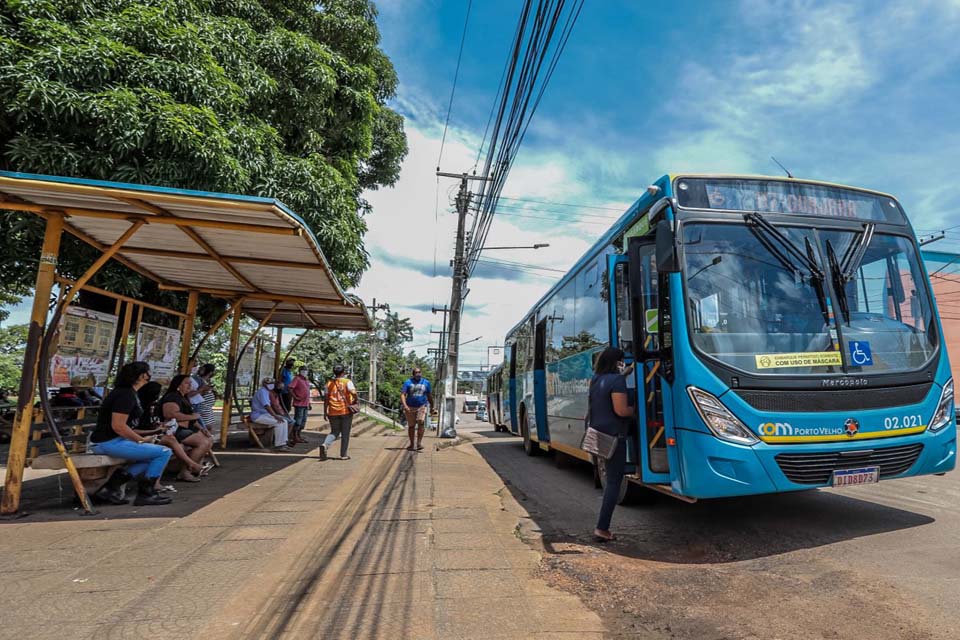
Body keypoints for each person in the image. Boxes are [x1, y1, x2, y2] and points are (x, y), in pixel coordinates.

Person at [86, 361, 173, 506]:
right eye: (148, 372)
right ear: (141, 375)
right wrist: (140, 440)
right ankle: (146, 493)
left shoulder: (129, 393)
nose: (149, 375)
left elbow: (125, 426)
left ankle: (109, 489)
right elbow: (118, 426)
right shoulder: (125, 395)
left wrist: (147, 435)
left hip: (112, 440)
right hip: (107, 442)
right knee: (164, 452)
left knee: (150, 458)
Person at [589, 347, 634, 542]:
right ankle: (602, 528)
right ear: (616, 362)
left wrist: (625, 374)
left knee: (611, 479)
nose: (622, 364)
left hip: (599, 435)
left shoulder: (596, 379)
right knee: (614, 483)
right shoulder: (617, 382)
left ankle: (602, 527)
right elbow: (622, 411)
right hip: (614, 437)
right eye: (622, 361)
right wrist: (637, 407)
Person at [138, 380, 204, 484]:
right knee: (167, 447)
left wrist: (159, 427)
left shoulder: (153, 406)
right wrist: (155, 431)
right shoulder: (141, 409)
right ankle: (190, 464)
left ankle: (189, 465)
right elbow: (133, 429)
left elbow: (154, 424)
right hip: (141, 438)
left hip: (154, 435)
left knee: (173, 443)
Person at [161, 374, 214, 481]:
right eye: (186, 383)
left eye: (190, 383)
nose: (189, 386)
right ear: (178, 385)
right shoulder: (172, 397)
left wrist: (201, 428)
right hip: (173, 430)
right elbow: (170, 414)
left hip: (185, 428)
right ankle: (185, 472)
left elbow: (192, 419)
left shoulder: (184, 397)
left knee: (208, 439)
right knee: (202, 443)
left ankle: (195, 468)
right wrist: (192, 416)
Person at [320, 364, 357, 461]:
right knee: (345, 433)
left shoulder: (328, 383)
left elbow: (326, 399)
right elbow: (353, 392)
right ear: (343, 372)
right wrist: (356, 400)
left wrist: (325, 412)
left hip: (332, 411)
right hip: (345, 411)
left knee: (334, 431)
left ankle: (325, 444)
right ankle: (343, 454)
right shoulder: (347, 382)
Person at [250, 377, 292, 451]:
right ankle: (279, 445)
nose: (271, 385)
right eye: (269, 384)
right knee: (279, 423)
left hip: (264, 415)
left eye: (272, 383)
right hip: (258, 416)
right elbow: (267, 406)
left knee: (284, 421)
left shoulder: (266, 391)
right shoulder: (262, 392)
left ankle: (283, 443)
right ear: (264, 384)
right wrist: (275, 416)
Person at [401, 367, 433, 452]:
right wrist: (405, 405)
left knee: (421, 422)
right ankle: (412, 444)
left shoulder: (426, 382)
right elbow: (403, 394)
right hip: (410, 407)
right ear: (413, 374)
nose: (418, 374)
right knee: (411, 426)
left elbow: (429, 395)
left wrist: (432, 405)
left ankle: (419, 443)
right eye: (416, 372)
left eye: (419, 372)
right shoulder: (408, 382)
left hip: (422, 406)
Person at [288, 366, 311, 444]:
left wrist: (309, 403)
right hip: (299, 404)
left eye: (306, 370)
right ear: (300, 371)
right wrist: (295, 397)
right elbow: (290, 388)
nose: (305, 372)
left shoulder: (306, 380)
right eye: (303, 370)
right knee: (298, 420)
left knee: (303, 421)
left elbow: (307, 392)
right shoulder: (297, 379)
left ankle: (299, 435)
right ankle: (294, 436)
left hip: (306, 404)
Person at [197, 364, 217, 435]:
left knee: (209, 427)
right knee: (207, 427)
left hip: (207, 408)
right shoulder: (201, 382)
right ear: (211, 372)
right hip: (204, 408)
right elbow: (199, 394)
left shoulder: (205, 381)